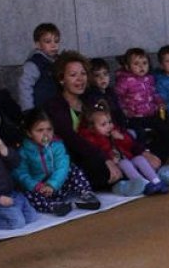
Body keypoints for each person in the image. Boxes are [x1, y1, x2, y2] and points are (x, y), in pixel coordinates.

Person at [44, 52, 120, 192]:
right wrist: (105, 158)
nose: (80, 79)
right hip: (72, 157)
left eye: (83, 74)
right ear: (61, 79)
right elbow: (70, 139)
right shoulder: (55, 106)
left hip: (97, 150)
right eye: (73, 75)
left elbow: (109, 126)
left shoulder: (90, 100)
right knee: (98, 167)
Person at [13, 109, 100, 215]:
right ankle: (54, 206)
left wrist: (52, 184)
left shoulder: (57, 145)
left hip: (57, 184)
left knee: (72, 169)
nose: (46, 134)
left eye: (49, 129)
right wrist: (38, 186)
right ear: (29, 133)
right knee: (27, 194)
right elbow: (21, 174)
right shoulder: (23, 151)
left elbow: (62, 167)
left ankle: (86, 194)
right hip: (40, 189)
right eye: (40, 130)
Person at [78, 107, 168, 196]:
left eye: (110, 122)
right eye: (103, 124)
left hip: (128, 160)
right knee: (124, 163)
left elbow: (130, 145)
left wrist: (121, 138)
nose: (109, 126)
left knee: (139, 159)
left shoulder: (115, 133)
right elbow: (100, 153)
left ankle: (156, 180)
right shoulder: (93, 139)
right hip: (116, 167)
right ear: (92, 128)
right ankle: (144, 184)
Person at [115, 47, 169, 163]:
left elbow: (154, 93)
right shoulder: (124, 81)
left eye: (144, 63)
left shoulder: (149, 78)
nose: (141, 66)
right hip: (134, 117)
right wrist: (124, 110)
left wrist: (160, 102)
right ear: (127, 67)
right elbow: (117, 97)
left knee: (166, 130)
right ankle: (142, 160)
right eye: (136, 64)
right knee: (139, 136)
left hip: (150, 114)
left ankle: (159, 157)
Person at [16, 22, 62, 111]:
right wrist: (28, 110)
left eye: (56, 41)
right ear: (38, 44)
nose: (53, 45)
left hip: (57, 107)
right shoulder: (34, 64)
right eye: (48, 42)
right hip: (41, 109)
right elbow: (25, 87)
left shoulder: (59, 61)